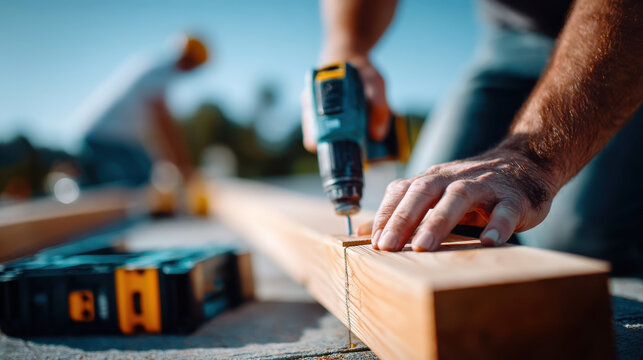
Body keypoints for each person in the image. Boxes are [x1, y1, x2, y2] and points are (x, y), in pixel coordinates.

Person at [302, 0, 643, 274]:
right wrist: (347, 45)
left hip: (620, 36)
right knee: (429, 219)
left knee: (574, 238)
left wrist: (532, 160)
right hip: (509, 42)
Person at [75, 35, 208, 187]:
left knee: (141, 178)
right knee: (140, 181)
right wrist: (185, 169)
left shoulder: (156, 69)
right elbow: (164, 125)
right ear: (189, 60)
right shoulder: (159, 73)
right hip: (105, 138)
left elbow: (152, 131)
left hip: (111, 138)